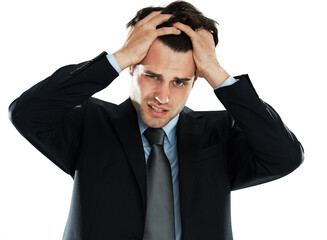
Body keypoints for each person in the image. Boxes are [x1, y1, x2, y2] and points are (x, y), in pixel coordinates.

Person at [8, 1, 304, 239]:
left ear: (196, 79)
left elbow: (285, 157)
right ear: (132, 68)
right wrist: (118, 57)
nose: (162, 96)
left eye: (179, 82)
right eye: (152, 76)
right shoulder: (90, 124)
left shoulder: (218, 134)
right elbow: (27, 113)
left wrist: (216, 72)